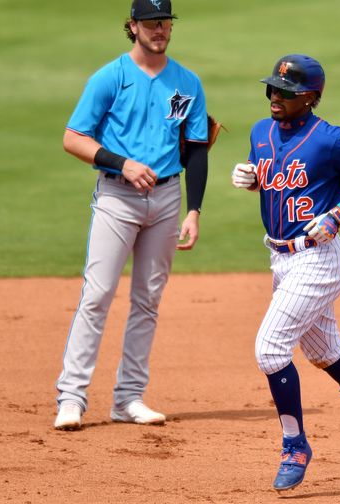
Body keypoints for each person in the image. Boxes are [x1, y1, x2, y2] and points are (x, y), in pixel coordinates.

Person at [230, 54, 340, 491]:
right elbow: (278, 175)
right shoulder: (260, 132)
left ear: (309, 97)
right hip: (279, 258)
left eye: (286, 92)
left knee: (271, 351)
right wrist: (255, 178)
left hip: (318, 259)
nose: (275, 96)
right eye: (272, 88)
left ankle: (295, 445)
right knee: (324, 352)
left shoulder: (330, 139)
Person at [53, 0, 208, 431]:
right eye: (151, 22)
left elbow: (196, 149)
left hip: (167, 200)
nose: (160, 29)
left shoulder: (188, 82)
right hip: (116, 198)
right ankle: (71, 397)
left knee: (148, 301)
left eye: (165, 22)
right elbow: (72, 137)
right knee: (98, 294)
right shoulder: (110, 77)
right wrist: (120, 162)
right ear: (132, 26)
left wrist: (194, 209)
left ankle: (128, 398)